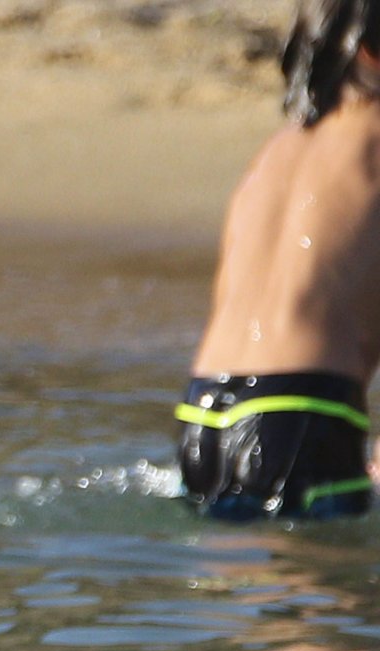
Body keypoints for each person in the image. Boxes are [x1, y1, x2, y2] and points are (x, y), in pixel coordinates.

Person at [177, 0, 380, 519]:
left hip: (203, 409)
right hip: (306, 408)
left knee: (237, 563)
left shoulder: (277, 151)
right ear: (370, 53)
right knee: (325, 570)